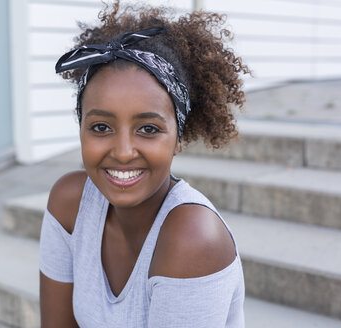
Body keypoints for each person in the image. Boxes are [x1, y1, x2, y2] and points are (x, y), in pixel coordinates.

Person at [39, 1, 250, 327]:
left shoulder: (193, 239)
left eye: (148, 129)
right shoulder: (69, 205)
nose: (123, 152)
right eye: (101, 127)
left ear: (178, 138)